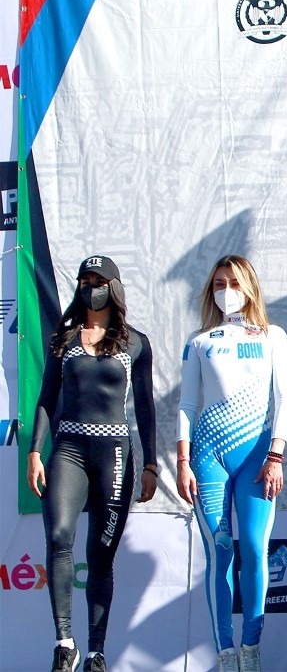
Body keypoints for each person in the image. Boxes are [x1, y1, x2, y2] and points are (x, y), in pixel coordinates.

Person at [26, 256, 157, 672]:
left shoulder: (135, 343)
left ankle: (96, 652)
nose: (91, 287)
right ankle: (64, 644)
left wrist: (151, 464)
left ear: (113, 287)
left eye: (99, 281)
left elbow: (146, 407)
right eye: (85, 279)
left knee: (100, 556)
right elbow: (47, 397)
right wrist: (35, 451)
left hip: (114, 453)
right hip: (69, 448)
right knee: (58, 537)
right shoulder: (63, 340)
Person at [178, 255, 287, 672]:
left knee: (256, 550)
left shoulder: (272, 336)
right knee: (220, 552)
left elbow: (285, 399)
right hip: (208, 458)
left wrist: (276, 455)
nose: (225, 291)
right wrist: (182, 460)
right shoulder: (198, 340)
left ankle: (251, 649)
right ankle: (225, 653)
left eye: (233, 283)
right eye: (218, 284)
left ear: (249, 287)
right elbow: (187, 404)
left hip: (258, 459)